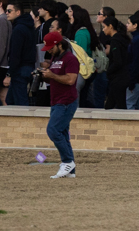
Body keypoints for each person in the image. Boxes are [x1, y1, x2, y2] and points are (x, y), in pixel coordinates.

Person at [37, 30, 79, 179]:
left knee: (53, 130)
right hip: (56, 101)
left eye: (51, 47)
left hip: (67, 102)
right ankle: (70, 170)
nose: (48, 50)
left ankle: (67, 162)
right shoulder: (55, 58)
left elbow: (70, 80)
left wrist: (52, 75)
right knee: (61, 134)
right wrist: (45, 75)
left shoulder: (70, 59)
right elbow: (55, 79)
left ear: (59, 45)